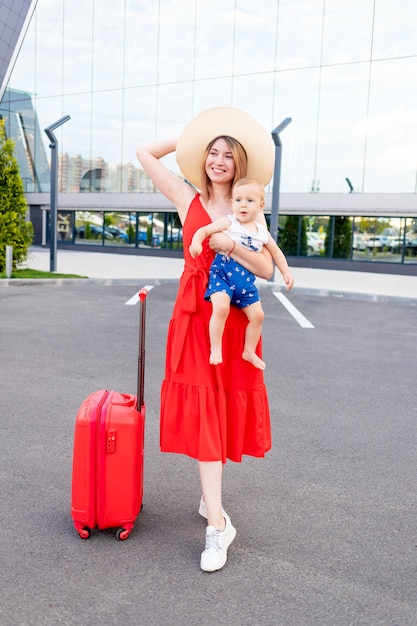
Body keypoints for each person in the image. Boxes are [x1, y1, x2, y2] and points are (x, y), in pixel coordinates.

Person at [136, 106, 282, 573]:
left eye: (227, 154)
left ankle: (211, 503)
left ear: (240, 163)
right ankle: (217, 525)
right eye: (212, 152)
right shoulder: (186, 196)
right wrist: (189, 138)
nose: (219, 160)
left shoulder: (247, 206)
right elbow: (144, 152)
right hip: (192, 316)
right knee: (202, 411)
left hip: (232, 317)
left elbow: (265, 269)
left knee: (217, 408)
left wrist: (232, 245)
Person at [189, 176, 294, 370]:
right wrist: (195, 243)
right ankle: (215, 347)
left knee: (258, 316)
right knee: (220, 308)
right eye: (238, 200)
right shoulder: (229, 223)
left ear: (261, 205)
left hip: (245, 283)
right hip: (223, 276)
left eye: (249, 200)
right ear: (232, 203)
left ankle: (249, 351)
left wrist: (285, 272)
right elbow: (203, 231)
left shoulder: (262, 232)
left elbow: (276, 251)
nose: (243, 205)